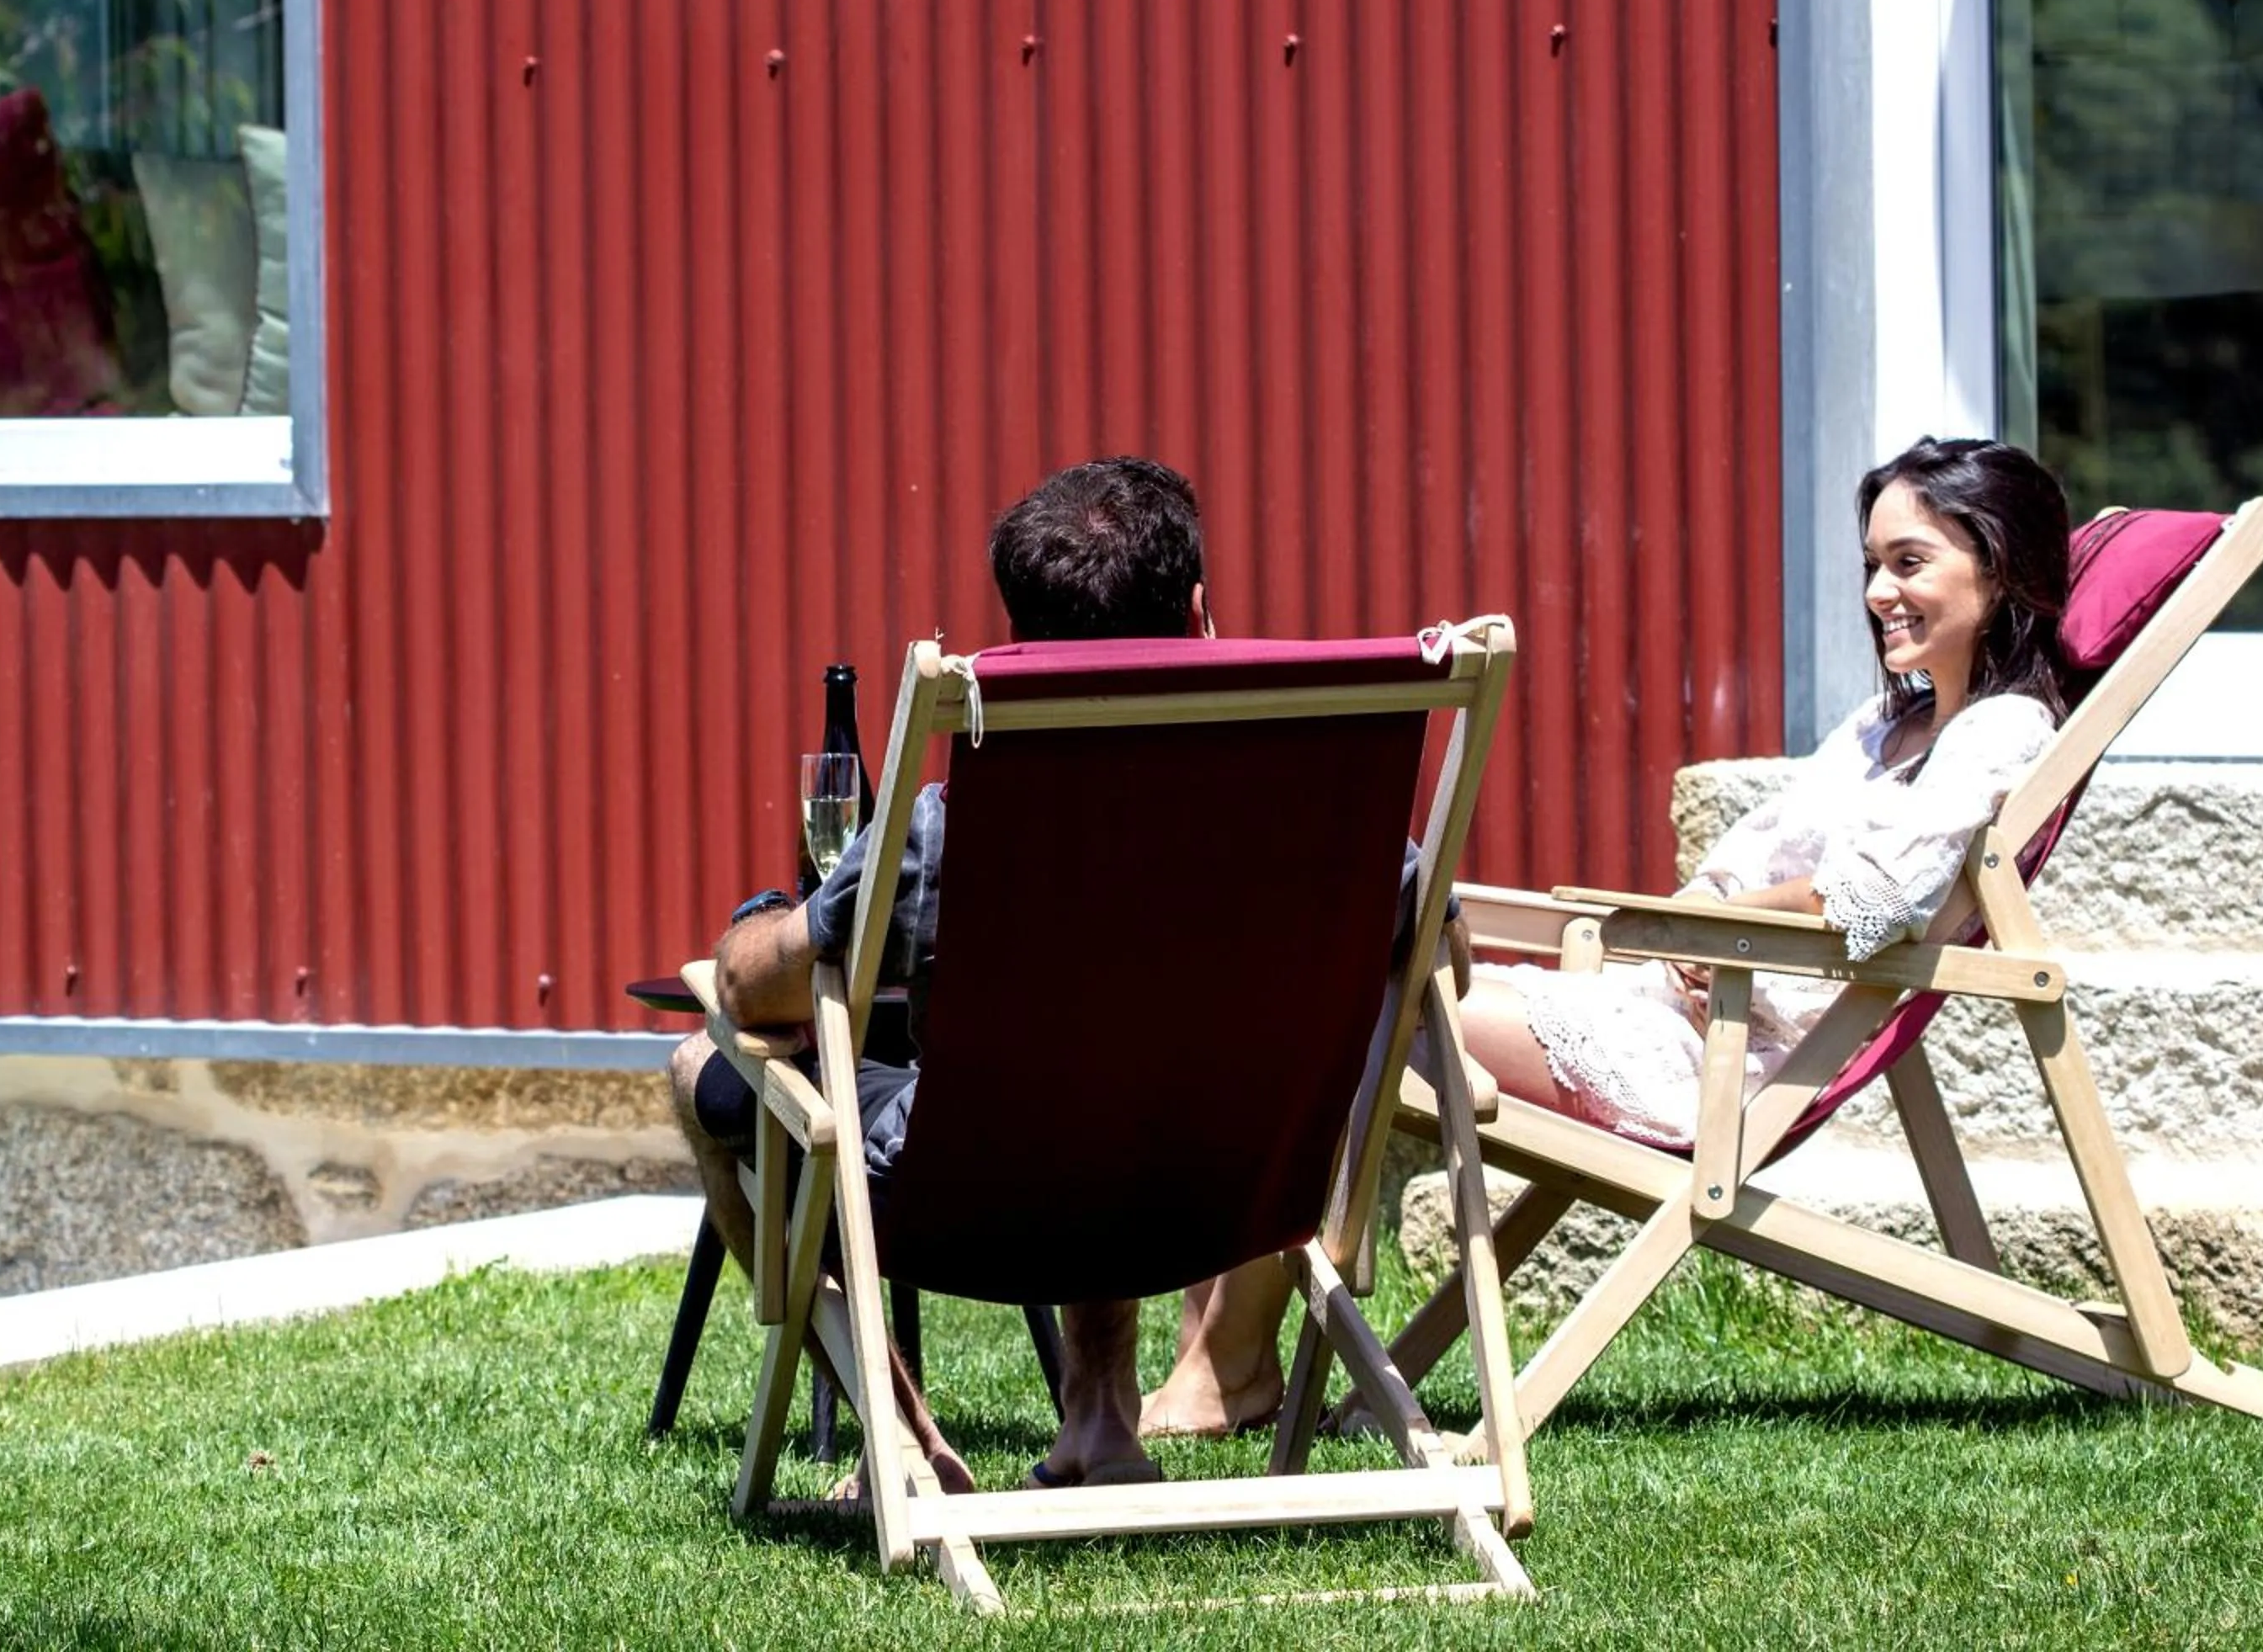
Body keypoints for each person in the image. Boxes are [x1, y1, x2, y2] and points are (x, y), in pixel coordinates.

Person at [1141, 434, 2077, 1441]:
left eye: (1911, 562)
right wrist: (1696, 921)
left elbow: (1871, 896)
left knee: (1316, 1016)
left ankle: (1228, 1368)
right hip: (1668, 1005)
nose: (1880, 593)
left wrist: (1712, 930)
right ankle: (1221, 1360)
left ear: (2000, 563)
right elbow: (1749, 854)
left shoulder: (2004, 731)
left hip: (1720, 1056)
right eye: (1872, 566)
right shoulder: (1883, 728)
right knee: (1290, 1012)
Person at [667, 454, 1213, 1496]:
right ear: (1199, 616)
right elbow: (1436, 955)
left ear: (1019, 642)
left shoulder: (949, 830)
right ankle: (1100, 1419)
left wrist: (757, 927)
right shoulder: (1307, 820)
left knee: (705, 1065)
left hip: (972, 1185)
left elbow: (753, 992)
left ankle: (906, 1440)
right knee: (1122, 1069)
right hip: (1215, 1187)